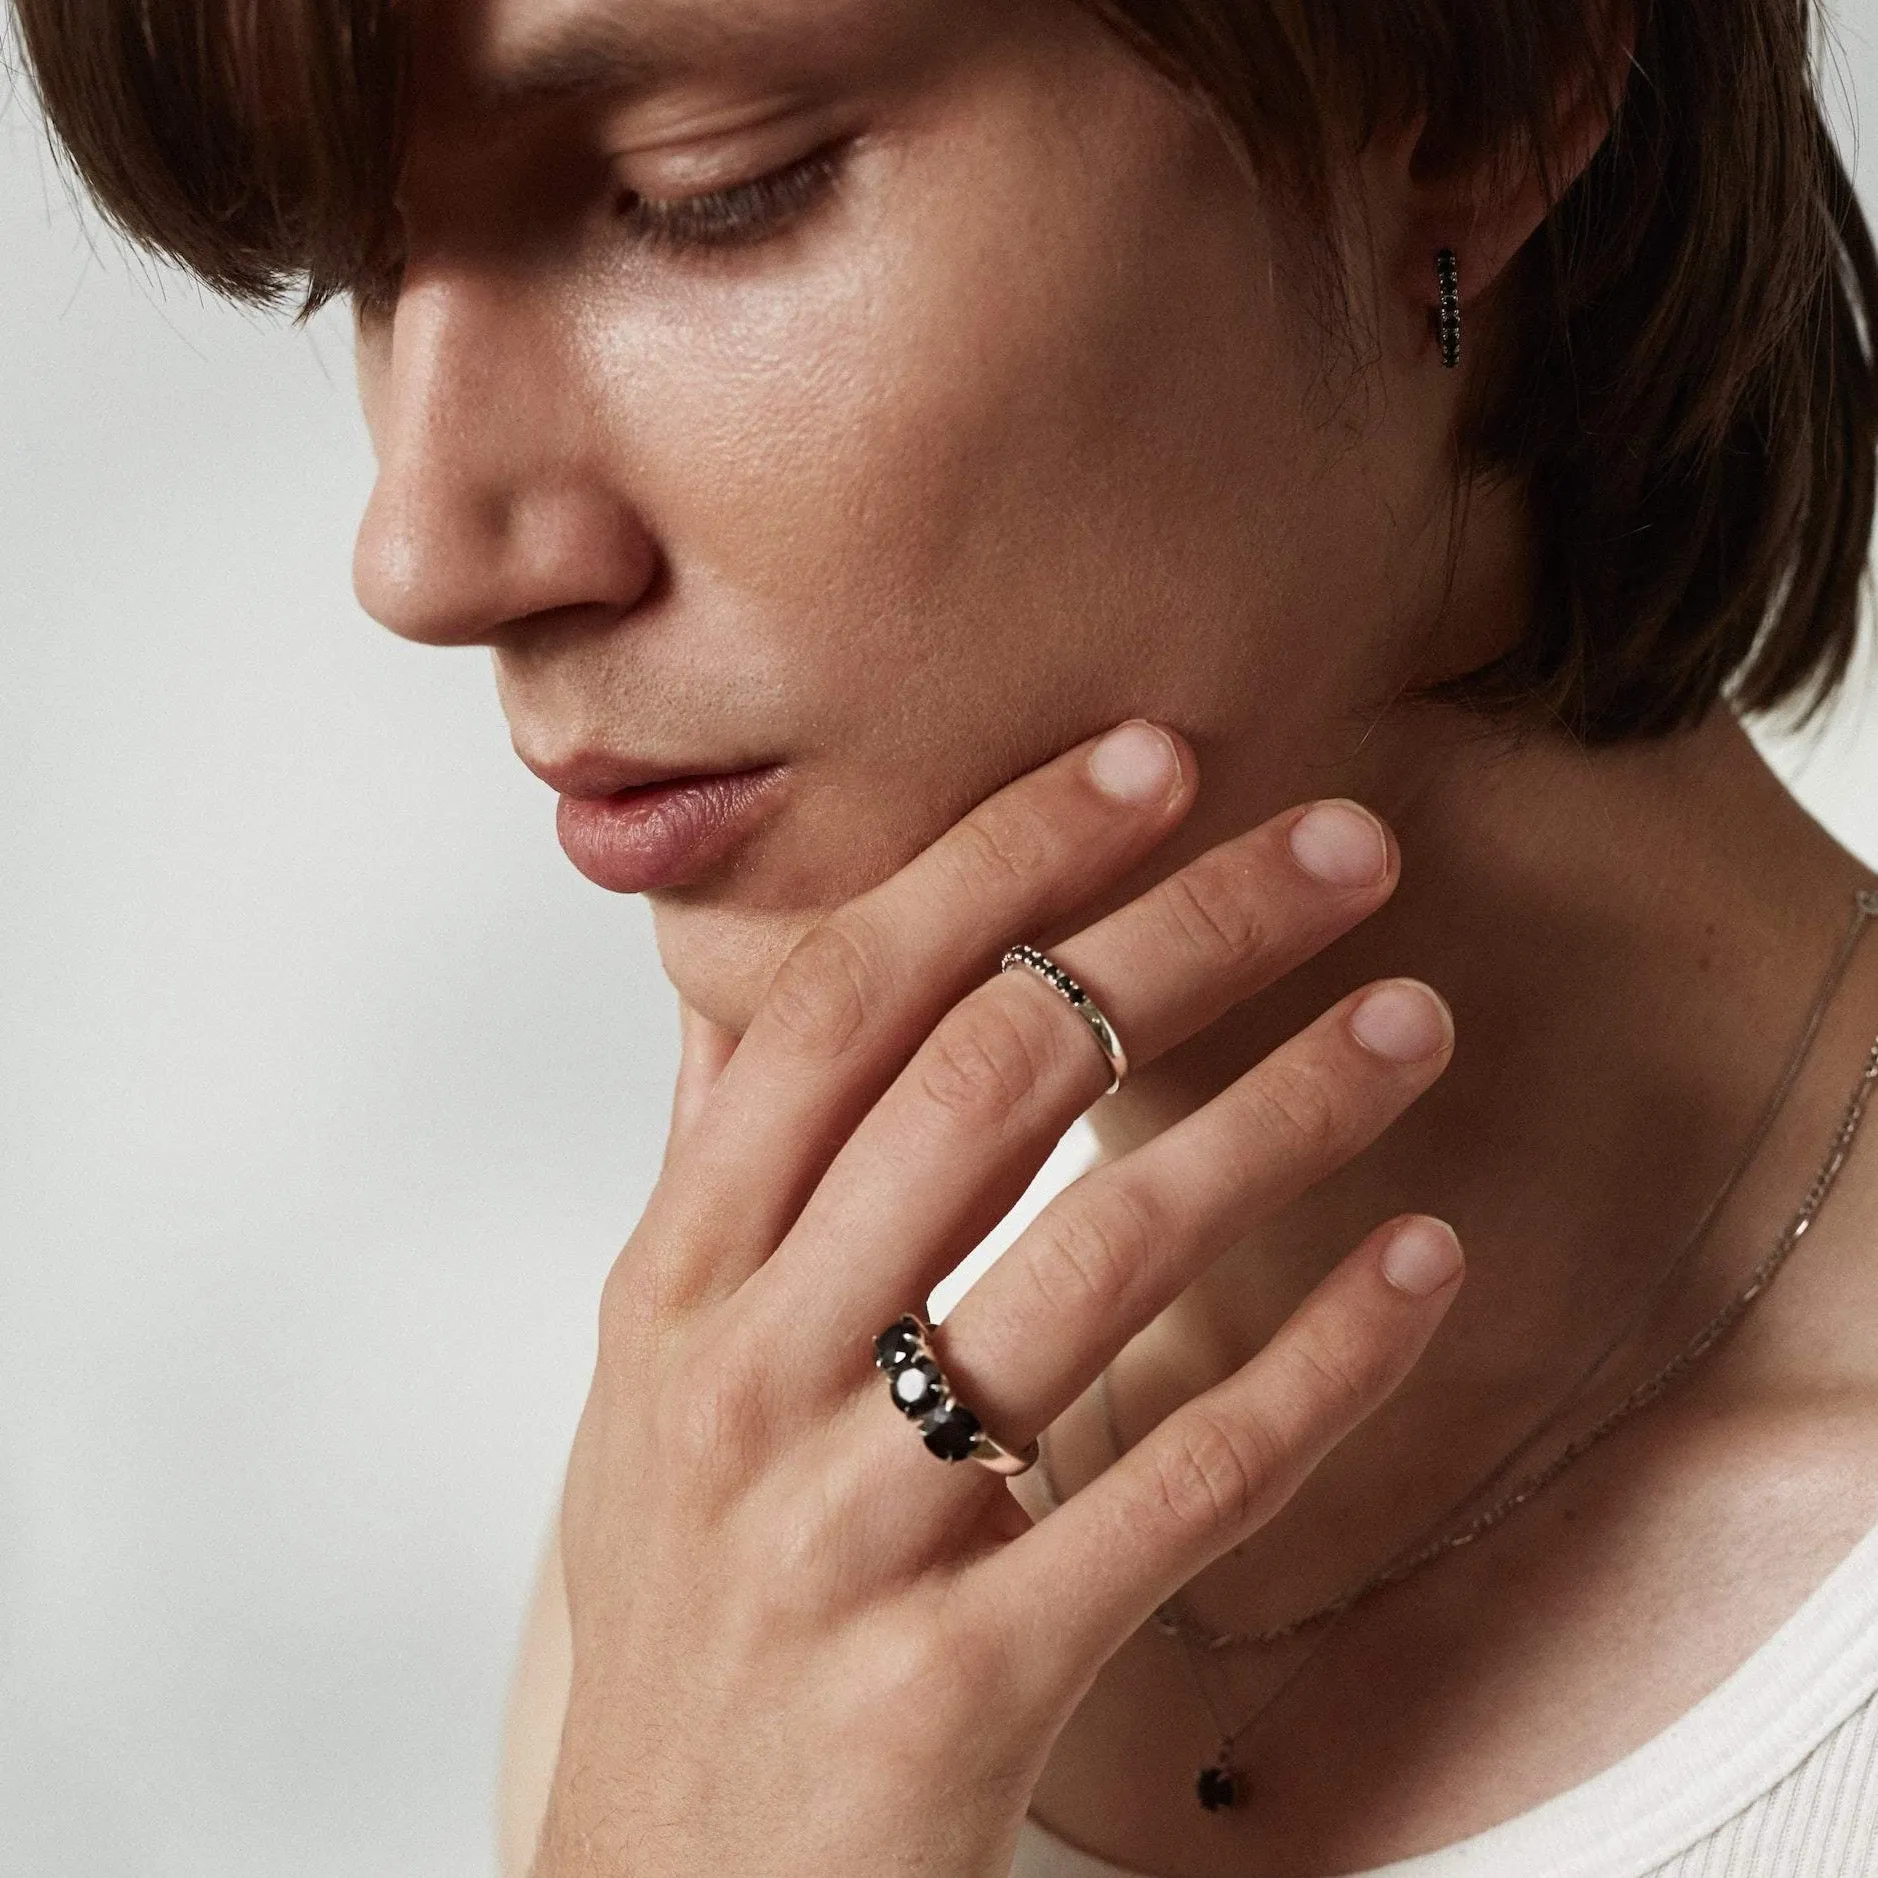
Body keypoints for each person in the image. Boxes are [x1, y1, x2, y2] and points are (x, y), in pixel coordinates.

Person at [17, 0, 1878, 1871]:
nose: (422, 553)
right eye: (369, 264)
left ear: (1477, 89)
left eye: (702, 194)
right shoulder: (745, 1522)